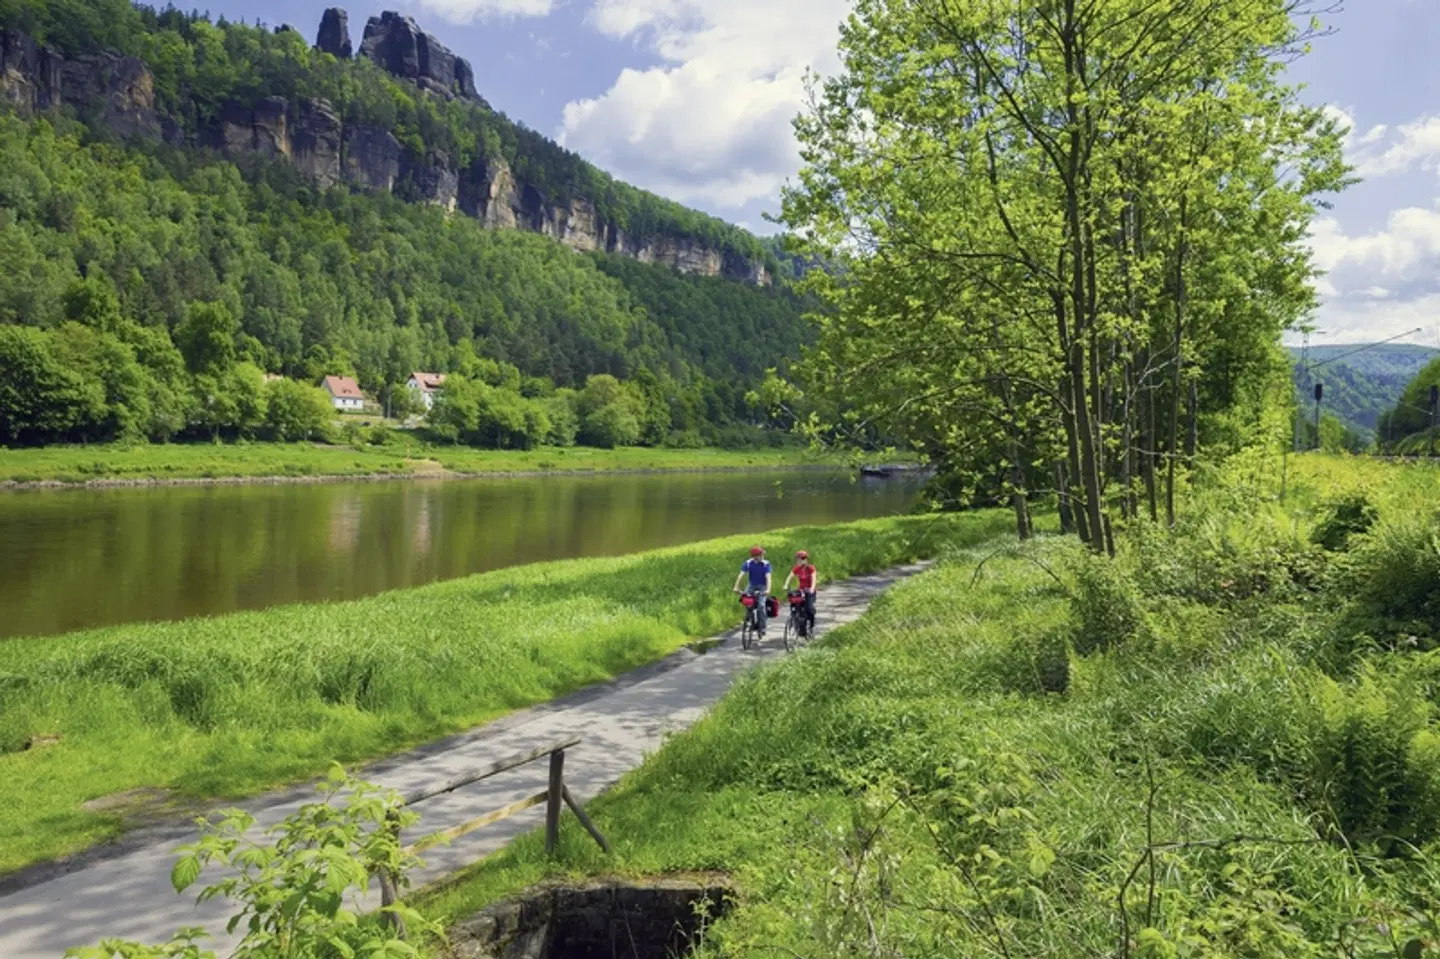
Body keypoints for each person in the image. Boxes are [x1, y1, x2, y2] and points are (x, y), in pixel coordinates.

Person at [733, 545, 773, 635]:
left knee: (761, 606)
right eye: (761, 555)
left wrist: (768, 589)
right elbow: (741, 575)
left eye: (762, 554)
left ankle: (762, 627)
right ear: (755, 556)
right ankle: (751, 619)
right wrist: (736, 586)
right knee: (746, 601)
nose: (762, 556)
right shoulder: (748, 563)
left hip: (763, 586)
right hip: (752, 585)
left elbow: (768, 577)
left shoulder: (766, 564)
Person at [783, 550, 819, 635]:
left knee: (809, 609)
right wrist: (786, 585)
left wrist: (812, 588)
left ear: (806, 560)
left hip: (810, 591)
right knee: (795, 603)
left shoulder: (810, 568)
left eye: (802, 559)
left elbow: (814, 579)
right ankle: (795, 619)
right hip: (801, 590)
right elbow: (790, 576)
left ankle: (811, 626)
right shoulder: (797, 568)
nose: (799, 561)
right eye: (798, 559)